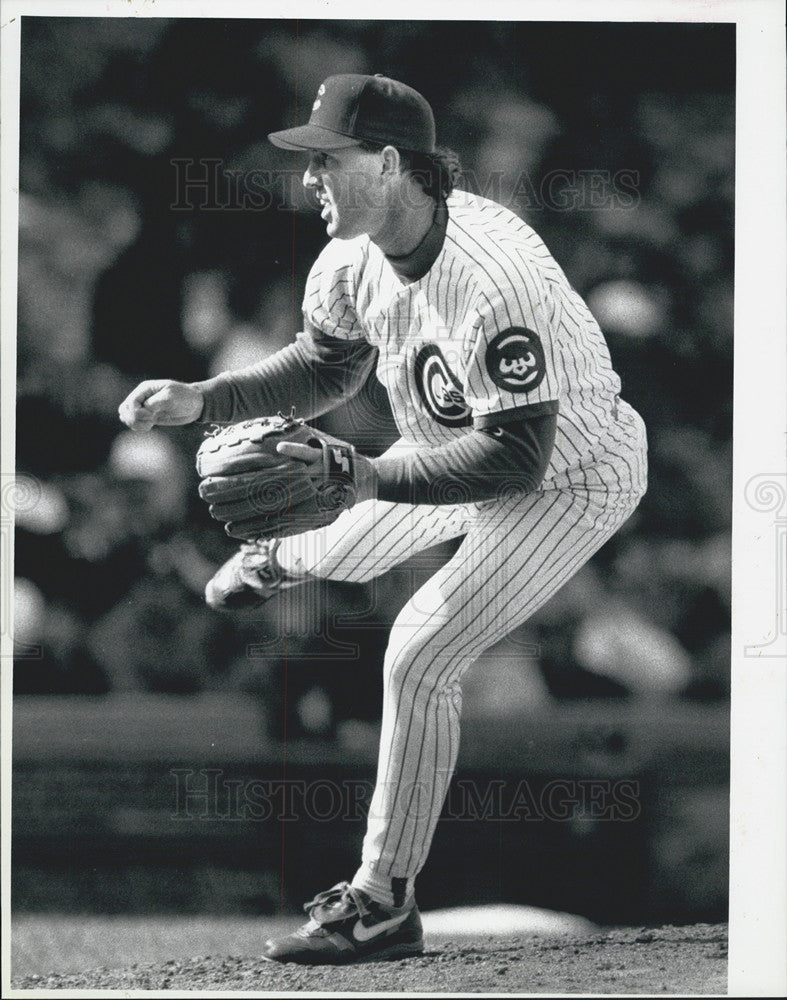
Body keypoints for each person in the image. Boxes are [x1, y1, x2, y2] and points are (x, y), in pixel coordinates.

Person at [119, 73, 648, 965]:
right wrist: (203, 398)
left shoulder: (494, 277)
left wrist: (360, 472)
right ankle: (286, 557)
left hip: (570, 479)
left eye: (328, 159)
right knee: (355, 502)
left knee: (417, 649)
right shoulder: (350, 257)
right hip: (450, 452)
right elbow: (326, 369)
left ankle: (379, 900)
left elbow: (513, 461)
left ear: (391, 162)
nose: (309, 178)